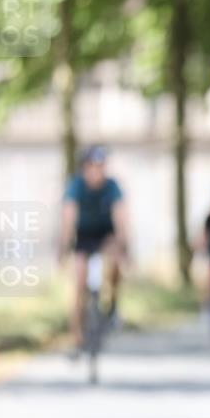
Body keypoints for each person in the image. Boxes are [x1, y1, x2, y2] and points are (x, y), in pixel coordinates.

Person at [59, 145, 129, 350]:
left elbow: (121, 216)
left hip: (106, 234)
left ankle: (112, 306)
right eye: (93, 167)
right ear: (85, 168)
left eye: (101, 167)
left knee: (115, 262)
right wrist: (63, 247)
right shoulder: (76, 186)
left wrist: (124, 243)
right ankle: (77, 335)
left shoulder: (112, 186)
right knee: (80, 283)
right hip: (84, 235)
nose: (97, 172)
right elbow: (68, 217)